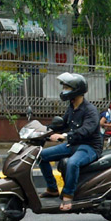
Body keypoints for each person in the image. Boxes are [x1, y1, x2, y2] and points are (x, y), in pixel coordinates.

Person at [40, 72, 102, 211]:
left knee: (73, 163)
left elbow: (86, 130)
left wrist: (65, 136)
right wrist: (45, 131)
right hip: (73, 145)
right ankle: (52, 189)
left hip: (89, 147)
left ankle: (68, 196)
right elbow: (62, 124)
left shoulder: (90, 110)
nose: (64, 90)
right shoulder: (72, 107)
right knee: (41, 156)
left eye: (67, 88)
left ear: (77, 90)